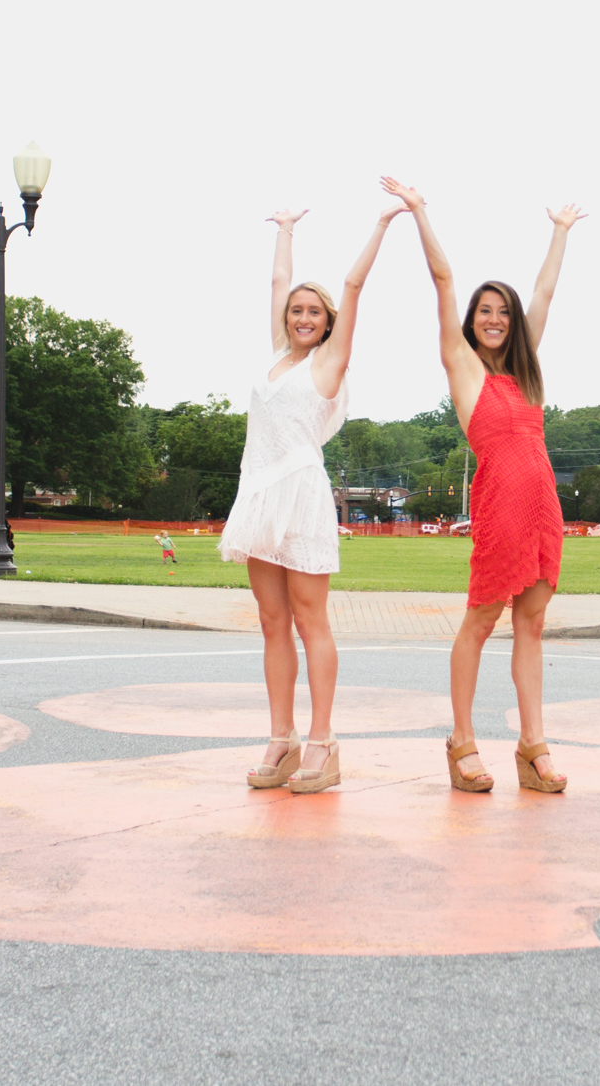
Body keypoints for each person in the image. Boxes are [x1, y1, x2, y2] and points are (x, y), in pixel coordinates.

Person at [383, 175, 583, 794]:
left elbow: (545, 291)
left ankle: (533, 746)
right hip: (499, 508)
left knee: (533, 624)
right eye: (485, 312)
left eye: (503, 312)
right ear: (471, 322)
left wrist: (559, 231)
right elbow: (443, 281)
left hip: (544, 509)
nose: (495, 320)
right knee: (479, 621)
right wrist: (419, 213)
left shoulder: (525, 371)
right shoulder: (463, 367)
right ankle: (462, 741)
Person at [220, 200, 404, 794]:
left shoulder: (329, 366)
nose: (302, 317)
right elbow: (279, 280)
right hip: (258, 495)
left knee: (309, 620)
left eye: (313, 312)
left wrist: (381, 224)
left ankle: (323, 745)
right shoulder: (275, 359)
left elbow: (352, 285)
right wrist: (285, 231)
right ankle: (282, 739)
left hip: (301, 497)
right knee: (272, 622)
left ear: (327, 322)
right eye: (295, 310)